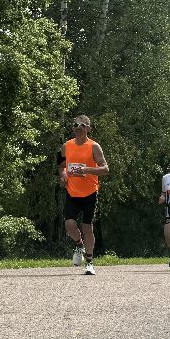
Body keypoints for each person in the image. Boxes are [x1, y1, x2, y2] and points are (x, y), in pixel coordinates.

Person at [62, 115, 109, 275]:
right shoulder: (66, 146)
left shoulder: (94, 146)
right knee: (69, 224)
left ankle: (89, 262)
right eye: (75, 125)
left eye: (82, 125)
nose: (78, 127)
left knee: (87, 226)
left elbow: (105, 169)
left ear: (88, 128)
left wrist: (87, 170)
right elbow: (61, 165)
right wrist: (62, 175)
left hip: (90, 192)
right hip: (72, 191)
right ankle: (79, 244)